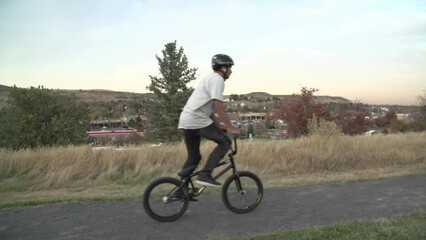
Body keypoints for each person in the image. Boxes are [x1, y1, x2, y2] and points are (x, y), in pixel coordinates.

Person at [178, 54, 241, 187]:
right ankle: (205, 175)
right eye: (230, 68)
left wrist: (220, 126)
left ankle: (181, 189)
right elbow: (218, 105)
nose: (231, 71)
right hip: (196, 119)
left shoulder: (209, 79)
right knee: (225, 142)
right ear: (223, 68)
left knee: (194, 157)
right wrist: (231, 128)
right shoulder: (217, 80)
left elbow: (210, 110)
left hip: (187, 120)